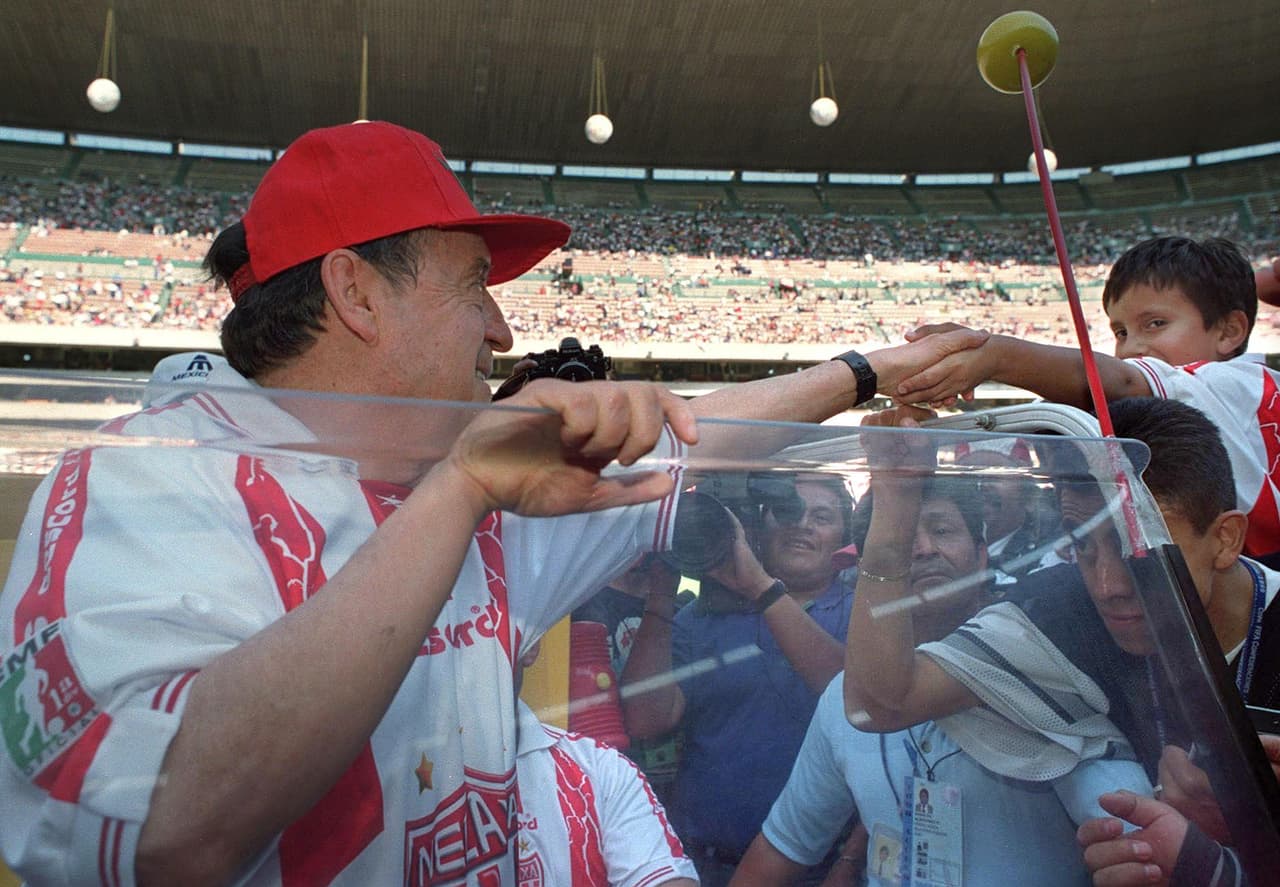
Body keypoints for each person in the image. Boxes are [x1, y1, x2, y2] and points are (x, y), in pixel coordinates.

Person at [0, 120, 987, 886]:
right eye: (474, 283)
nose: (503, 325)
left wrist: (865, 370)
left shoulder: (494, 487)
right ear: (356, 291)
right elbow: (176, 827)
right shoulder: (141, 483)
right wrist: (458, 491)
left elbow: (696, 430)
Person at [731, 475, 1141, 887]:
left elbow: (1130, 831)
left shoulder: (1038, 673)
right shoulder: (846, 700)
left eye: (942, 530)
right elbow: (782, 847)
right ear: (866, 573)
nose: (924, 549)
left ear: (981, 555)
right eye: (901, 539)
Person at [895, 236, 1280, 565]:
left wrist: (995, 356)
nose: (1131, 348)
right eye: (1121, 331)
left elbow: (1125, 382)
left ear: (1229, 331)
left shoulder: (1232, 382)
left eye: (1156, 324)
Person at [621, 476, 857, 886]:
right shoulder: (702, 617)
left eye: (822, 517)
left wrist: (761, 589)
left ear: (843, 537)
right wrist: (661, 594)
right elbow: (646, 719)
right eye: (788, 512)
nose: (802, 525)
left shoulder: (859, 612)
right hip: (704, 862)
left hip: (817, 871)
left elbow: (852, 696)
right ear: (757, 528)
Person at [513, 641, 698, 887]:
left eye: (473, 623)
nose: (450, 643)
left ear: (530, 642)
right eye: (441, 619)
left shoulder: (598, 770)